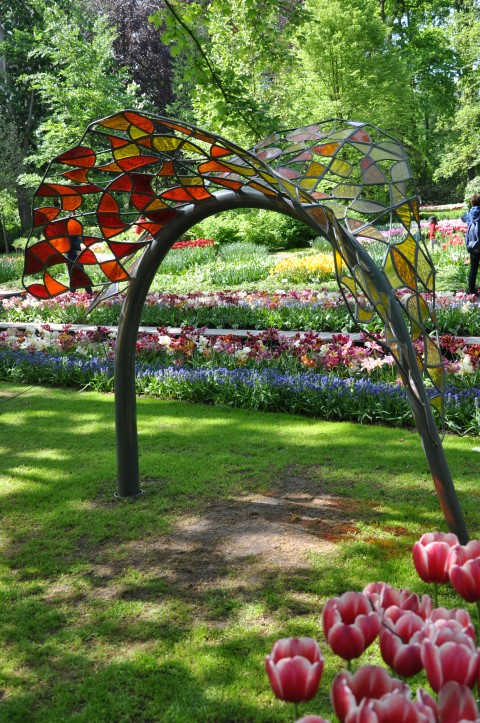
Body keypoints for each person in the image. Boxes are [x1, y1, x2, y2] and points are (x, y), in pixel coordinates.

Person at [461, 195, 480, 297]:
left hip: (473, 245)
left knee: (473, 268)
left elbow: (462, 219)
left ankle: (472, 292)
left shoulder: (468, 213)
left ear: (472, 203)